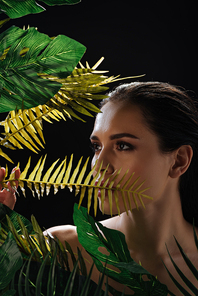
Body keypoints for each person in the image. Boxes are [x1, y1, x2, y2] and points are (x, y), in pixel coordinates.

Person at [1, 81, 198, 295]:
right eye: (97, 147)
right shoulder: (62, 251)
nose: (99, 166)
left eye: (123, 146)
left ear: (179, 161)